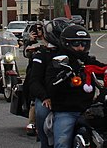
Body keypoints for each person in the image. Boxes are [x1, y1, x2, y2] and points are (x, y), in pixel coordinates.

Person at [45, 24, 106, 148]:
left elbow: (102, 68)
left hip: (89, 110)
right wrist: (65, 76)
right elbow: (51, 86)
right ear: (67, 44)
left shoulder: (87, 60)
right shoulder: (58, 62)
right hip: (67, 111)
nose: (80, 47)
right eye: (76, 43)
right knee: (62, 143)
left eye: (83, 44)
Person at [30, 18, 70, 148]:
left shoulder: (72, 53)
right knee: (42, 111)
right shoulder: (42, 54)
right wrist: (45, 97)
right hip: (47, 95)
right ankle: (45, 142)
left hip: (69, 95)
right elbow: (34, 81)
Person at [22, 22, 49, 136]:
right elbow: (26, 53)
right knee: (33, 95)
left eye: (40, 29)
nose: (38, 31)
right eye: (35, 29)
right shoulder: (31, 43)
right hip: (34, 71)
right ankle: (32, 122)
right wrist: (31, 41)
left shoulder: (49, 41)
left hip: (47, 70)